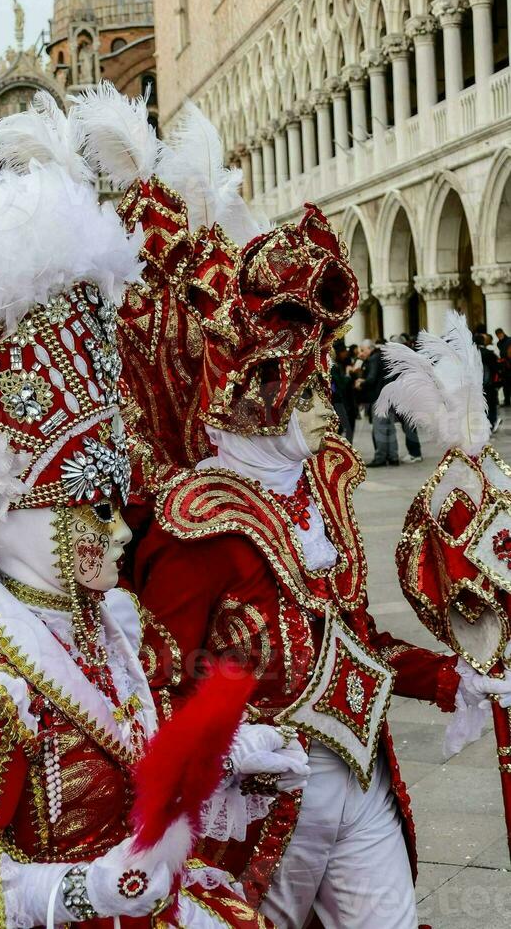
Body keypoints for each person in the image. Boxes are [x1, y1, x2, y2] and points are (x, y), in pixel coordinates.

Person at [0, 93, 288, 929]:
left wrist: (227, 752)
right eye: (92, 509)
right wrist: (77, 890)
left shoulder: (111, 630)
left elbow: (139, 751)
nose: (119, 530)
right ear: (27, 517)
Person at [76, 88, 470, 928]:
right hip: (255, 811)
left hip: (361, 784)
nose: (324, 400)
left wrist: (450, 679)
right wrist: (220, 741)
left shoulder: (321, 489)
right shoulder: (197, 523)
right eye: (304, 384)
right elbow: (150, 685)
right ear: (254, 392)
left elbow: (353, 644)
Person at [356, 339, 400, 466]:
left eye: (363, 350)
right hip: (389, 396)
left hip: (378, 397)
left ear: (369, 348)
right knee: (389, 428)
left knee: (379, 428)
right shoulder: (383, 356)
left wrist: (361, 382)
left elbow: (371, 378)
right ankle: (393, 456)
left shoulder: (374, 359)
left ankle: (380, 457)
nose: (362, 353)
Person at [475, 332, 500, 431]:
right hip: (489, 384)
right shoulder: (489, 353)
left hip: (476, 385)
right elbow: (496, 368)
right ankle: (491, 423)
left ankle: (481, 424)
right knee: (491, 404)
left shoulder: (471, 354)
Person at [496, 326, 511, 406]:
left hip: (509, 365)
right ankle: (507, 401)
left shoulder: (510, 340)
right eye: (498, 335)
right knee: (505, 384)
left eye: (500, 334)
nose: (499, 336)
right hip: (504, 366)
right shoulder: (498, 344)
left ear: (503, 333)